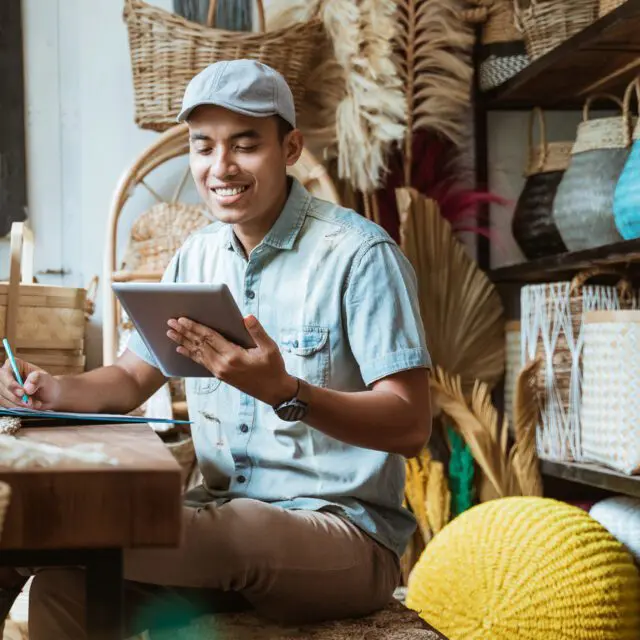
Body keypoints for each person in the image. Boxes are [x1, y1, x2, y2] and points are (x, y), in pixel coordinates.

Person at [0, 59, 432, 639]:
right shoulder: (195, 256)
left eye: (245, 145)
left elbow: (410, 425)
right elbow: (131, 379)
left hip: (343, 536)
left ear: (291, 147)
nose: (220, 167)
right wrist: (50, 388)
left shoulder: (358, 255)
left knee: (196, 532)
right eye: (203, 147)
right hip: (222, 520)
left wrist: (286, 392)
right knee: (65, 590)